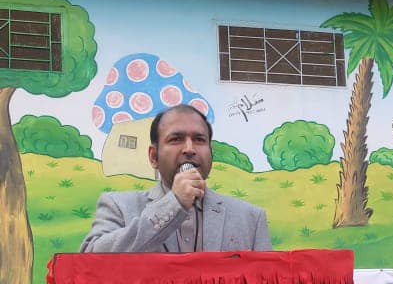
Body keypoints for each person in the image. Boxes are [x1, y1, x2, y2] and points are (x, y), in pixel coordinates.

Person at [80, 105, 272, 253]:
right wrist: (174, 204)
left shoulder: (250, 218)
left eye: (199, 140)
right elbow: (90, 259)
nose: (189, 148)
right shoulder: (118, 206)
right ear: (154, 157)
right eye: (176, 139)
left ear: (210, 154)